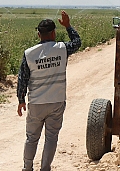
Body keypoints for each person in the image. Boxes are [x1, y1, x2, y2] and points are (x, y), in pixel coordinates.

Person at [17, 10, 81, 171]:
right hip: (57, 102)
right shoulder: (62, 49)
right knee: (51, 138)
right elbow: (77, 42)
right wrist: (68, 26)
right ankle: (45, 168)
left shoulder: (29, 54)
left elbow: (22, 78)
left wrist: (21, 100)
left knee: (32, 138)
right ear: (53, 33)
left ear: (39, 34)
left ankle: (27, 168)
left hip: (37, 102)